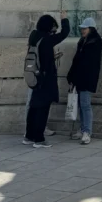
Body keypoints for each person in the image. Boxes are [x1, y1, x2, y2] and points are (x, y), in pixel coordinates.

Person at [24, 10, 70, 148]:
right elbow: (65, 33)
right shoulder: (47, 39)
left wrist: (52, 57)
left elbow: (41, 55)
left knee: (34, 107)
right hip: (45, 78)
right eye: (53, 28)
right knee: (43, 109)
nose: (54, 31)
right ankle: (39, 139)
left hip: (35, 75)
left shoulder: (34, 36)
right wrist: (64, 19)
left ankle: (29, 136)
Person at [66, 17, 102, 145]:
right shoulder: (83, 41)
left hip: (87, 78)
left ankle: (87, 131)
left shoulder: (96, 42)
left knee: (85, 105)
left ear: (91, 29)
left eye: (85, 28)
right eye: (82, 28)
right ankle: (82, 130)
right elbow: (76, 60)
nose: (82, 30)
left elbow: (88, 62)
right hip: (79, 77)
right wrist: (71, 75)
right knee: (81, 105)